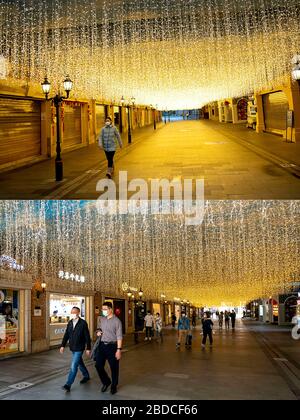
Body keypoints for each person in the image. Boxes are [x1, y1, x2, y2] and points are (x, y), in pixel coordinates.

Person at [60, 307, 91, 392]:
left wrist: (88, 348)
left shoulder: (83, 323)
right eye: (72, 312)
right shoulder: (70, 323)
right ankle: (86, 375)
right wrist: (62, 345)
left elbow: (87, 336)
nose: (73, 313)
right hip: (72, 347)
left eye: (74, 312)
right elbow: (66, 334)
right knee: (80, 363)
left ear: (78, 312)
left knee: (74, 366)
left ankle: (68, 384)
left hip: (79, 348)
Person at [94, 302, 123, 395]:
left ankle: (114, 385)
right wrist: (98, 332)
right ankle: (106, 382)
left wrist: (119, 350)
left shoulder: (117, 321)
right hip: (102, 345)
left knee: (114, 367)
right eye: (103, 309)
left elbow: (119, 337)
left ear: (111, 309)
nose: (103, 311)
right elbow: (98, 329)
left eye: (105, 309)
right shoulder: (102, 319)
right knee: (98, 365)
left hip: (112, 346)